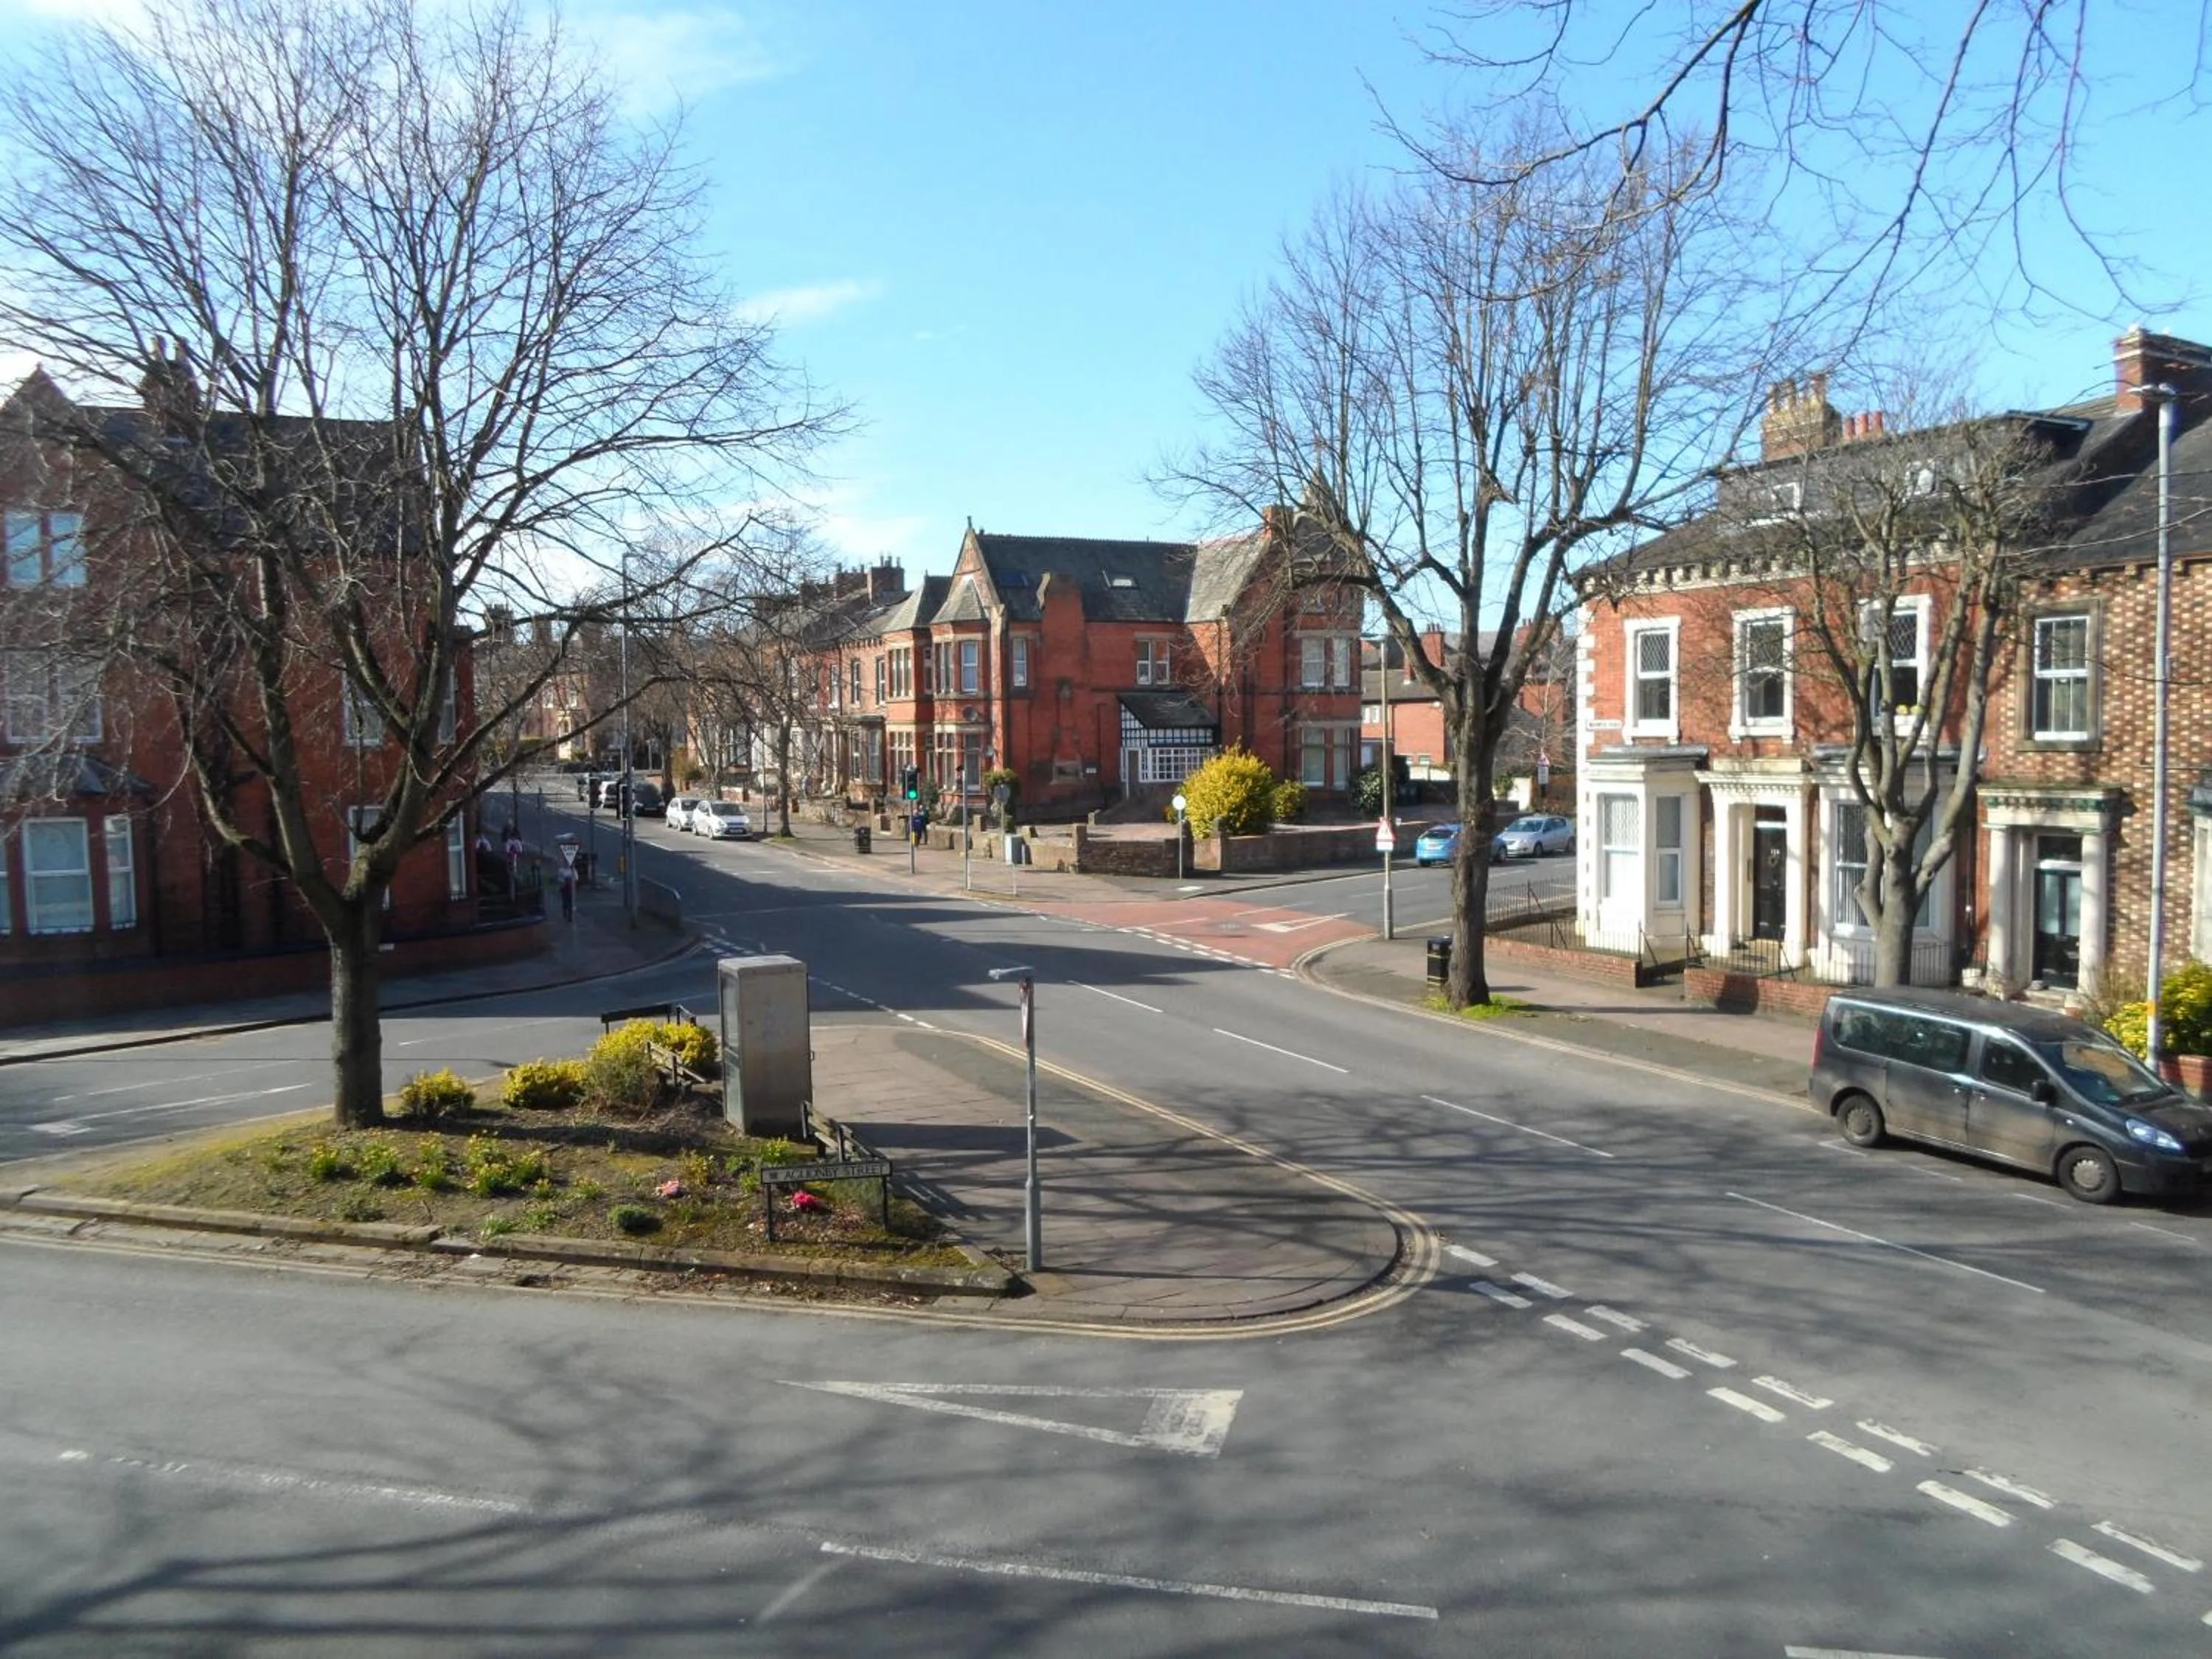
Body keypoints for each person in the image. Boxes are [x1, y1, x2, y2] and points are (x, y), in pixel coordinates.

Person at [556, 858, 576, 922]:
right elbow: (560, 879)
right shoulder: (561, 870)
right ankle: (565, 911)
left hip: (570, 888)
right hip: (564, 888)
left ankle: (570, 916)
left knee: (570, 902)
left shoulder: (572, 870)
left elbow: (575, 879)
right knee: (565, 902)